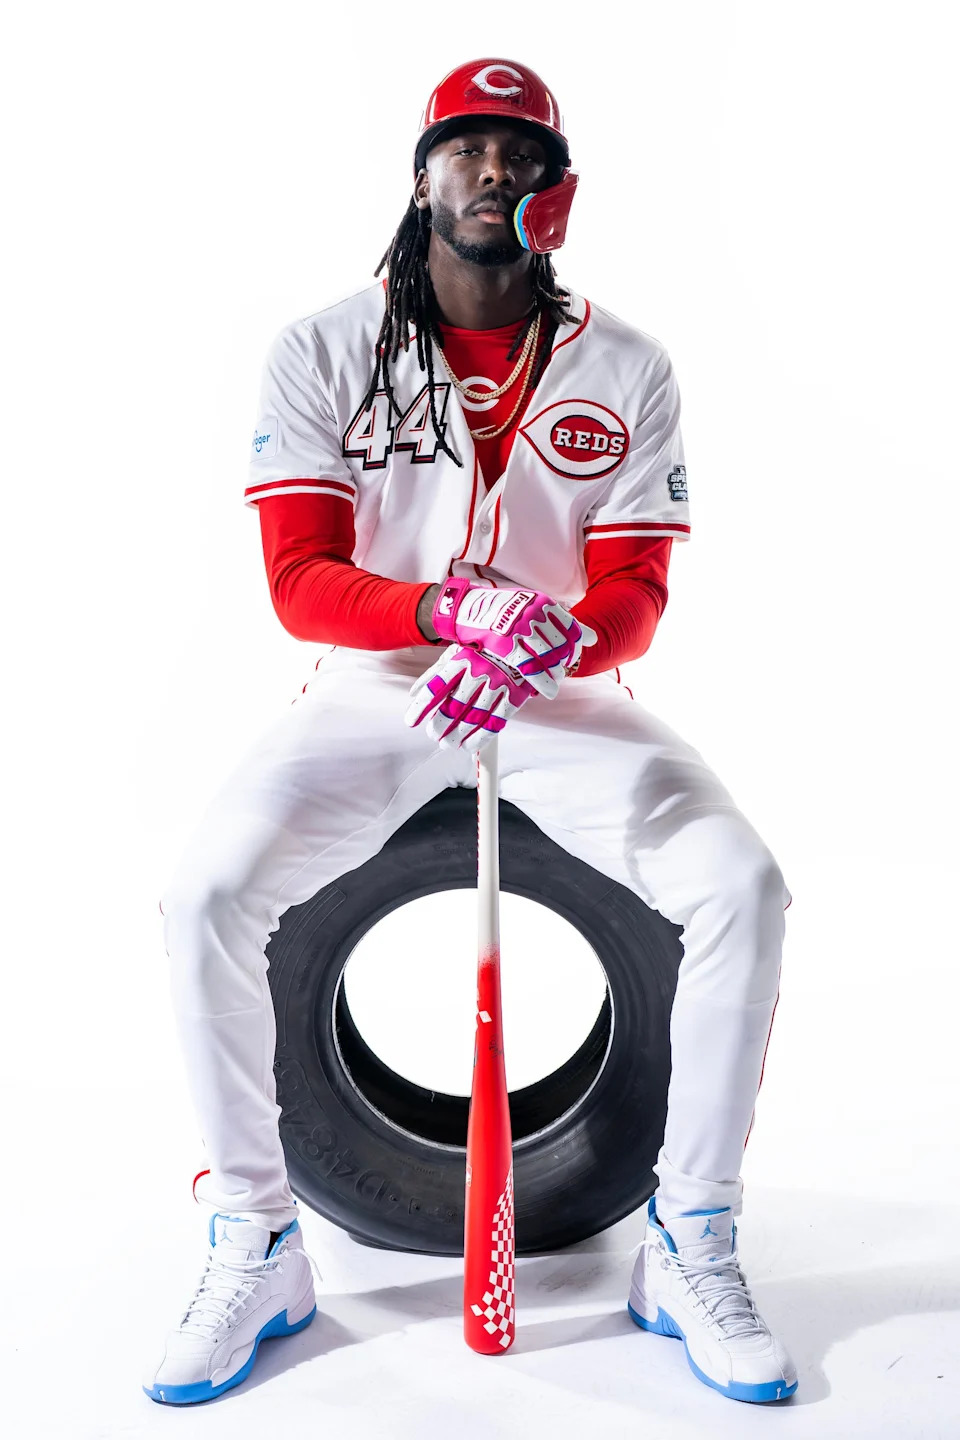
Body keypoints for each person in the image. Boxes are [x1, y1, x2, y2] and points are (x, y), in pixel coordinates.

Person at [144, 57, 797, 1407]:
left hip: (557, 691)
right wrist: (444, 607)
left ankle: (690, 1234)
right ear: (423, 173)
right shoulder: (323, 347)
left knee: (743, 885)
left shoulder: (627, 362)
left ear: (556, 188)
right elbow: (299, 582)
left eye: (522, 151)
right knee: (207, 889)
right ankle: (257, 1238)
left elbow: (634, 590)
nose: (495, 170)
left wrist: (562, 636)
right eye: (467, 148)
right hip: (385, 689)